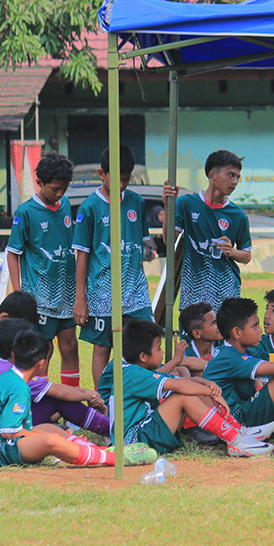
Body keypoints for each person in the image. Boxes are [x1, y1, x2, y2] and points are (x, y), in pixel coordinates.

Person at [0, 329, 155, 467]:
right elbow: (9, 432)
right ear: (42, 363)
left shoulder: (10, 377)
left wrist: (40, 433)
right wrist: (40, 436)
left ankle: (98, 450)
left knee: (55, 431)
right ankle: (113, 458)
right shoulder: (19, 387)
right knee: (51, 440)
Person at [96, 319, 274, 457]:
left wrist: (205, 384)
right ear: (143, 356)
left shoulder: (136, 369)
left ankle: (239, 431)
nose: (162, 353)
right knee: (183, 395)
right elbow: (178, 384)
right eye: (158, 349)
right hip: (133, 442)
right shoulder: (130, 373)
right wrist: (209, 391)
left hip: (144, 431)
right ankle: (235, 440)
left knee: (190, 389)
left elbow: (175, 379)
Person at [73, 145, 153, 387]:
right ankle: (104, 402)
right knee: (102, 347)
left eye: (126, 179)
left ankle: (139, 395)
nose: (121, 184)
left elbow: (144, 241)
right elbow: (83, 255)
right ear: (101, 174)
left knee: (145, 341)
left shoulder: (137, 202)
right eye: (116, 178)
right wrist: (80, 298)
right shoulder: (89, 207)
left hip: (136, 291)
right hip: (102, 292)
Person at [6, 152, 80, 387]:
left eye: (63, 189)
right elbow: (12, 253)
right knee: (43, 351)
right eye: (54, 189)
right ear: (39, 183)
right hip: (40, 297)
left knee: (70, 345)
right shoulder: (26, 212)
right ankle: (42, 399)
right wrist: (19, 293)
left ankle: (71, 402)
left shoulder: (66, 204)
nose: (59, 194)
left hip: (67, 294)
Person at [0, 319, 111, 438]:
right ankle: (111, 430)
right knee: (59, 399)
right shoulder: (14, 375)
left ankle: (56, 430)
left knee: (47, 398)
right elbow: (60, 392)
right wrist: (89, 395)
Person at [164, 150, 253, 312]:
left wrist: (231, 251)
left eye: (237, 177)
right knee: (191, 336)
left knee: (224, 336)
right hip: (193, 291)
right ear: (212, 175)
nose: (235, 181)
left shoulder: (238, 215)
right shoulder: (186, 203)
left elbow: (247, 256)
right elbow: (168, 241)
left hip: (226, 291)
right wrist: (168, 206)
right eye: (230, 175)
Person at [203, 297, 274, 429]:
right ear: (237, 332)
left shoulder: (248, 351)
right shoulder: (229, 357)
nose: (260, 330)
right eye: (255, 326)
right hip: (232, 419)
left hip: (242, 411)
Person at [178, 302, 222, 377]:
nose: (220, 325)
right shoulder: (186, 351)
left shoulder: (223, 345)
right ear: (197, 333)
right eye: (214, 323)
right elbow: (178, 363)